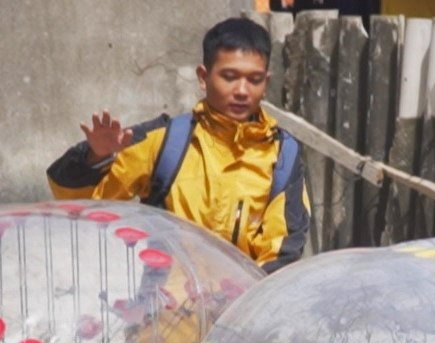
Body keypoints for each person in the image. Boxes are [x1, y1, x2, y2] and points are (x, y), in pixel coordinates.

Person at [47, 18, 310, 272]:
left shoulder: (283, 155)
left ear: (267, 82)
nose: (242, 90)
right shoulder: (165, 141)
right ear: (203, 77)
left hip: (245, 310)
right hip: (169, 310)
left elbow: (282, 252)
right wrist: (96, 157)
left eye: (254, 79)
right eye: (229, 76)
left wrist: (243, 302)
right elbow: (77, 202)